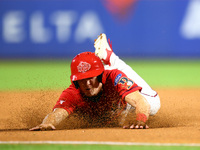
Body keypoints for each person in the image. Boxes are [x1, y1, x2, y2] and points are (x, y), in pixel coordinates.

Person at [30, 33, 160, 131]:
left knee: (153, 105)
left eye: (90, 78)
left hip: (126, 103)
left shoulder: (113, 77)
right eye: (82, 80)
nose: (87, 84)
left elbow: (140, 101)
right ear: (75, 82)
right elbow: (57, 114)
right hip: (120, 109)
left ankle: (111, 59)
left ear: (99, 76)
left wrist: (141, 120)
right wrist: (46, 123)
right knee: (118, 121)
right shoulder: (72, 93)